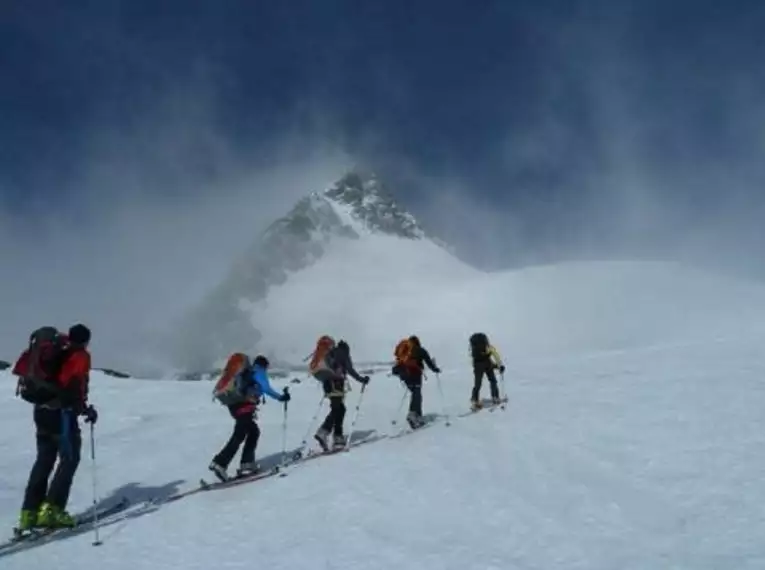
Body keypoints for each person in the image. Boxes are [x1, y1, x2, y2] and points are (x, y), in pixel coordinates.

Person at [14, 324, 98, 531]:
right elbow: (73, 385)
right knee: (70, 458)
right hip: (61, 414)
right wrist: (84, 409)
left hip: (40, 411)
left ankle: (29, 513)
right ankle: (52, 510)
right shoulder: (79, 356)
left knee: (44, 460)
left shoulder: (55, 350)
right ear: (86, 340)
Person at [209, 354, 289, 482]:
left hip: (234, 405)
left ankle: (247, 463)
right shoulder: (257, 371)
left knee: (253, 432)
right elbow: (266, 388)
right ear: (264, 365)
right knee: (240, 434)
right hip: (244, 406)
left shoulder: (245, 372)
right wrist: (281, 397)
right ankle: (220, 463)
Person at [308, 337, 369, 451]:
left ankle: (336, 436)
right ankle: (328, 433)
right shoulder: (343, 354)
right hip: (336, 383)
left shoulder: (331, 353)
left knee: (339, 408)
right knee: (338, 409)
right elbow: (350, 370)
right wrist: (362, 380)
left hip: (327, 383)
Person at [392, 335, 441, 429]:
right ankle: (413, 414)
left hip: (404, 375)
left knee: (415, 393)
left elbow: (399, 362)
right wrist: (435, 369)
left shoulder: (404, 350)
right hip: (414, 374)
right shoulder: (420, 350)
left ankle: (417, 415)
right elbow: (429, 362)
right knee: (416, 393)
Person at [468, 332, 505, 410]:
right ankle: (495, 397)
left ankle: (475, 400)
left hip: (478, 365)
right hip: (487, 363)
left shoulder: (474, 351)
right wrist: (499, 365)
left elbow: (473, 361)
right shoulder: (488, 347)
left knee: (478, 383)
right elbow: (495, 354)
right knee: (493, 381)